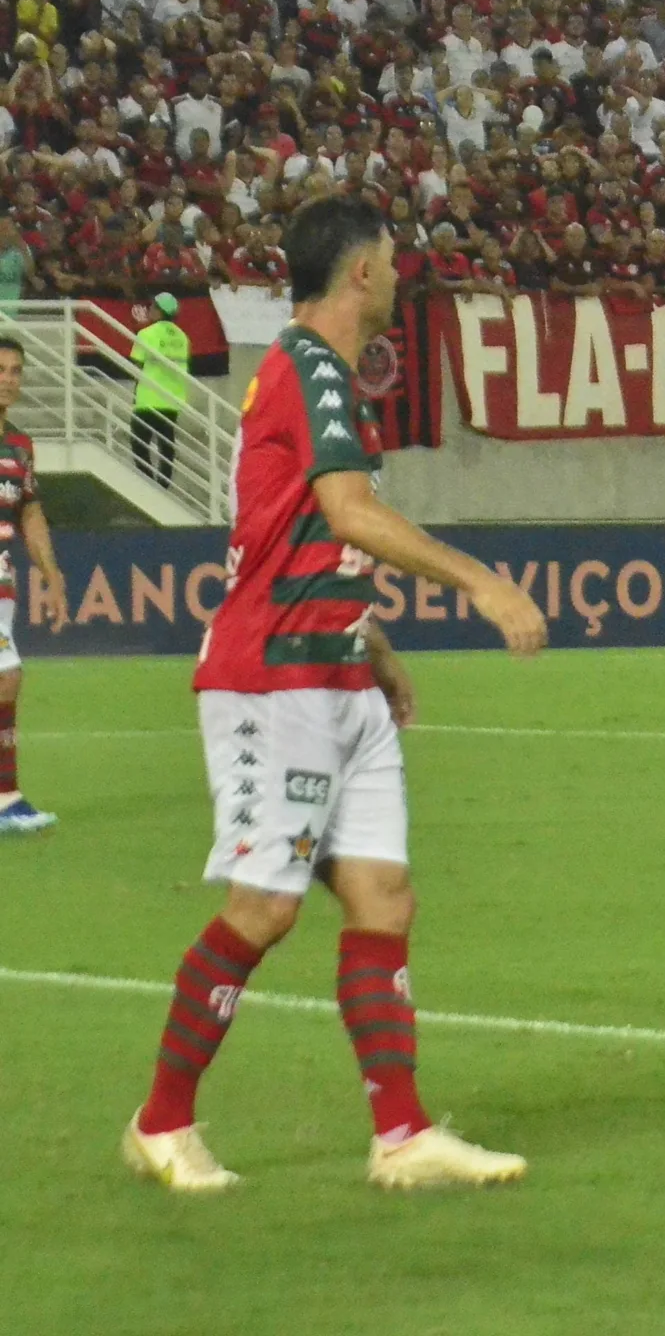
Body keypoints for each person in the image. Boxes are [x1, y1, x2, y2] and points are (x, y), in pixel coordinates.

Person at [122, 196, 549, 1195]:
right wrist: (480, 581)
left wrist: (377, 640)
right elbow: (349, 510)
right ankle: (161, 1119)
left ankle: (399, 1132)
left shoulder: (321, 376)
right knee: (265, 906)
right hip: (276, 679)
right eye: (393, 261)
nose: (402, 275)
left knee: (381, 897)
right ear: (361, 271)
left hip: (337, 667)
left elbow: (306, 536)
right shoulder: (309, 362)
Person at [0, 339, 70, 834]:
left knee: (7, 680)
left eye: (16, 370)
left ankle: (6, 796)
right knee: (7, 677)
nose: (9, 378)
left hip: (1, 581)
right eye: (1, 369)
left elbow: (29, 510)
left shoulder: (19, 446)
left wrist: (51, 571)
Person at [129, 293, 192, 488]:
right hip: (173, 399)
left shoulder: (147, 333)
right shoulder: (183, 337)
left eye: (152, 307)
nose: (149, 311)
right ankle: (164, 484)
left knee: (139, 444)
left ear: (159, 311)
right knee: (167, 445)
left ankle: (150, 483)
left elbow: (136, 364)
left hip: (148, 398)